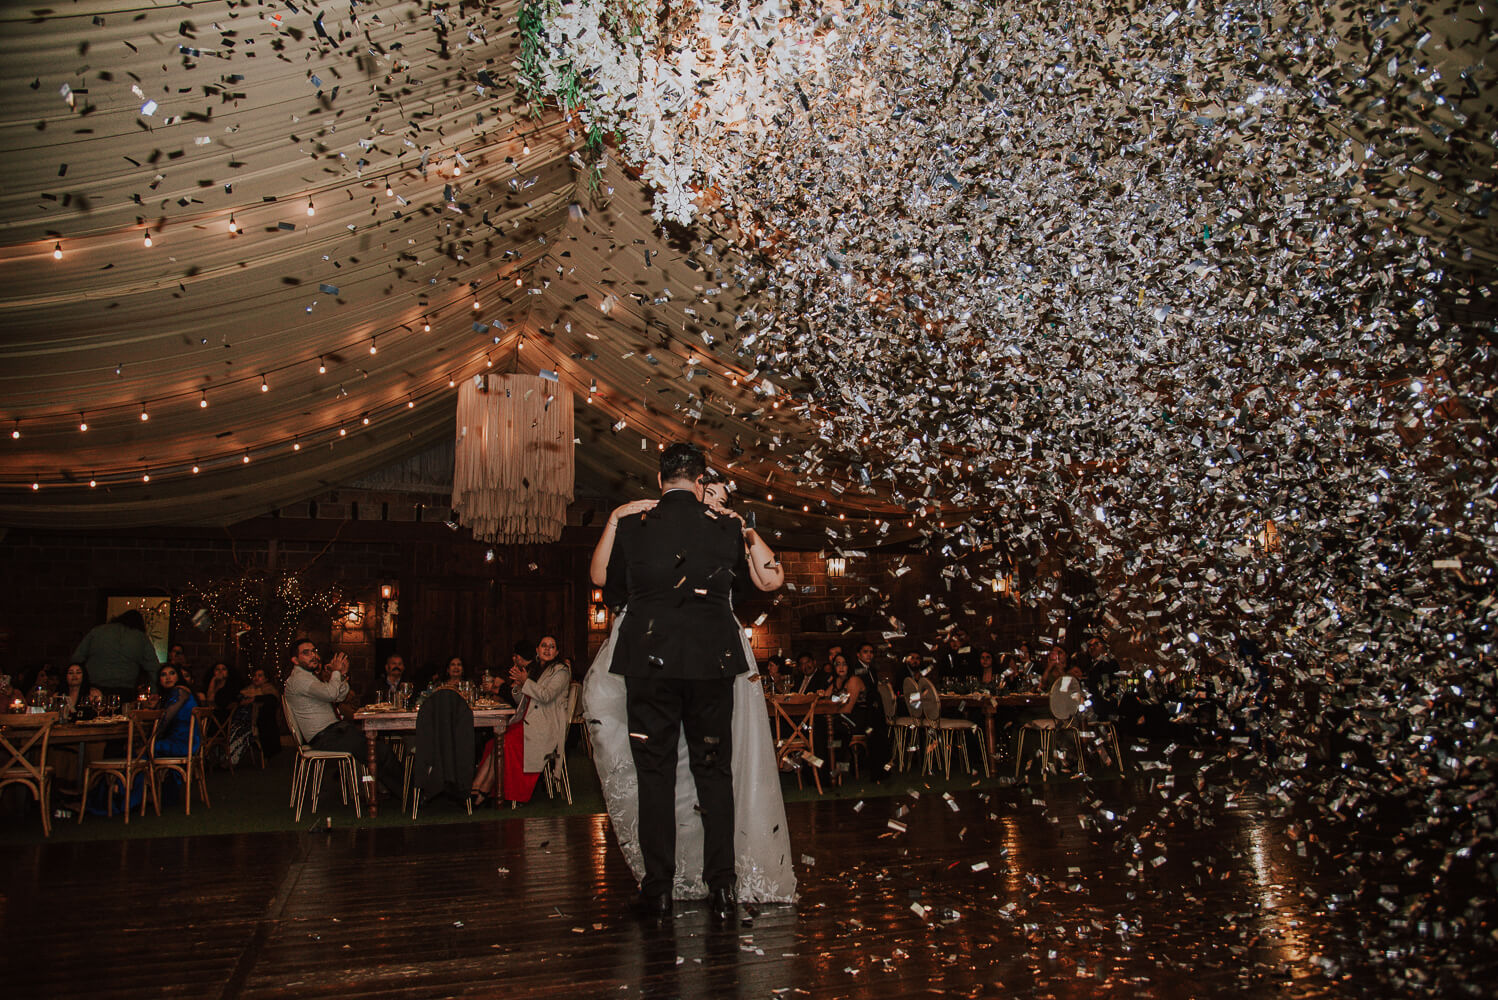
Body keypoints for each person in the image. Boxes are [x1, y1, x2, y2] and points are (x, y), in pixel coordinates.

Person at [588, 444, 792, 923]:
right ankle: (721, 886)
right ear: (700, 480)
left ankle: (658, 888)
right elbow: (771, 581)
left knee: (655, 776)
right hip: (710, 665)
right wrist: (743, 523)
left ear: (660, 480)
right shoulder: (725, 525)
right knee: (713, 773)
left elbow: (600, 577)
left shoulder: (635, 523)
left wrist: (617, 516)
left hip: (649, 665)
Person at [284, 639, 398, 796]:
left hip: (334, 732)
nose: (313, 655)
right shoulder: (299, 679)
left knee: (375, 748)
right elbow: (332, 694)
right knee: (378, 750)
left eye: (314, 651)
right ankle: (407, 791)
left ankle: (384, 789)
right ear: (295, 660)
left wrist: (342, 675)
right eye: (306, 653)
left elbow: (339, 696)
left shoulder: (307, 677)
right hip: (325, 737)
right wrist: (336, 672)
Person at [472, 635, 572, 804]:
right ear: (537, 651)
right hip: (527, 723)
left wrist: (525, 682)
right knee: (493, 743)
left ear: (557, 652)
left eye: (552, 646)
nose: (547, 649)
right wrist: (518, 685)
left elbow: (546, 696)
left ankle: (482, 791)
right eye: (543, 646)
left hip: (545, 728)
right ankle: (477, 788)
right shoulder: (537, 670)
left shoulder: (561, 671)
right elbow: (523, 701)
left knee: (504, 743)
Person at [823, 652, 892, 782]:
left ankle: (833, 771)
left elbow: (848, 708)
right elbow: (825, 699)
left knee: (834, 727)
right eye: (837, 664)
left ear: (849, 666)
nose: (841, 667)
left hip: (860, 719)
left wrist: (831, 710)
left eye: (844, 664)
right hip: (843, 717)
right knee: (821, 726)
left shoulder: (853, 680)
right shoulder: (836, 681)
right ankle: (825, 770)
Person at [71, 610, 160, 700]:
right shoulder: (141, 638)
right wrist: (154, 692)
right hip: (125, 689)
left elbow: (77, 658)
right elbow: (153, 668)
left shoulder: (97, 631)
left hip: (94, 687)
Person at [239, 666, 283, 760]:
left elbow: (272, 699)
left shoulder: (269, 690)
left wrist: (255, 699)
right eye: (255, 675)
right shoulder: (248, 690)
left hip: (260, 724)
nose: (256, 678)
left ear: (266, 678)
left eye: (260, 675)